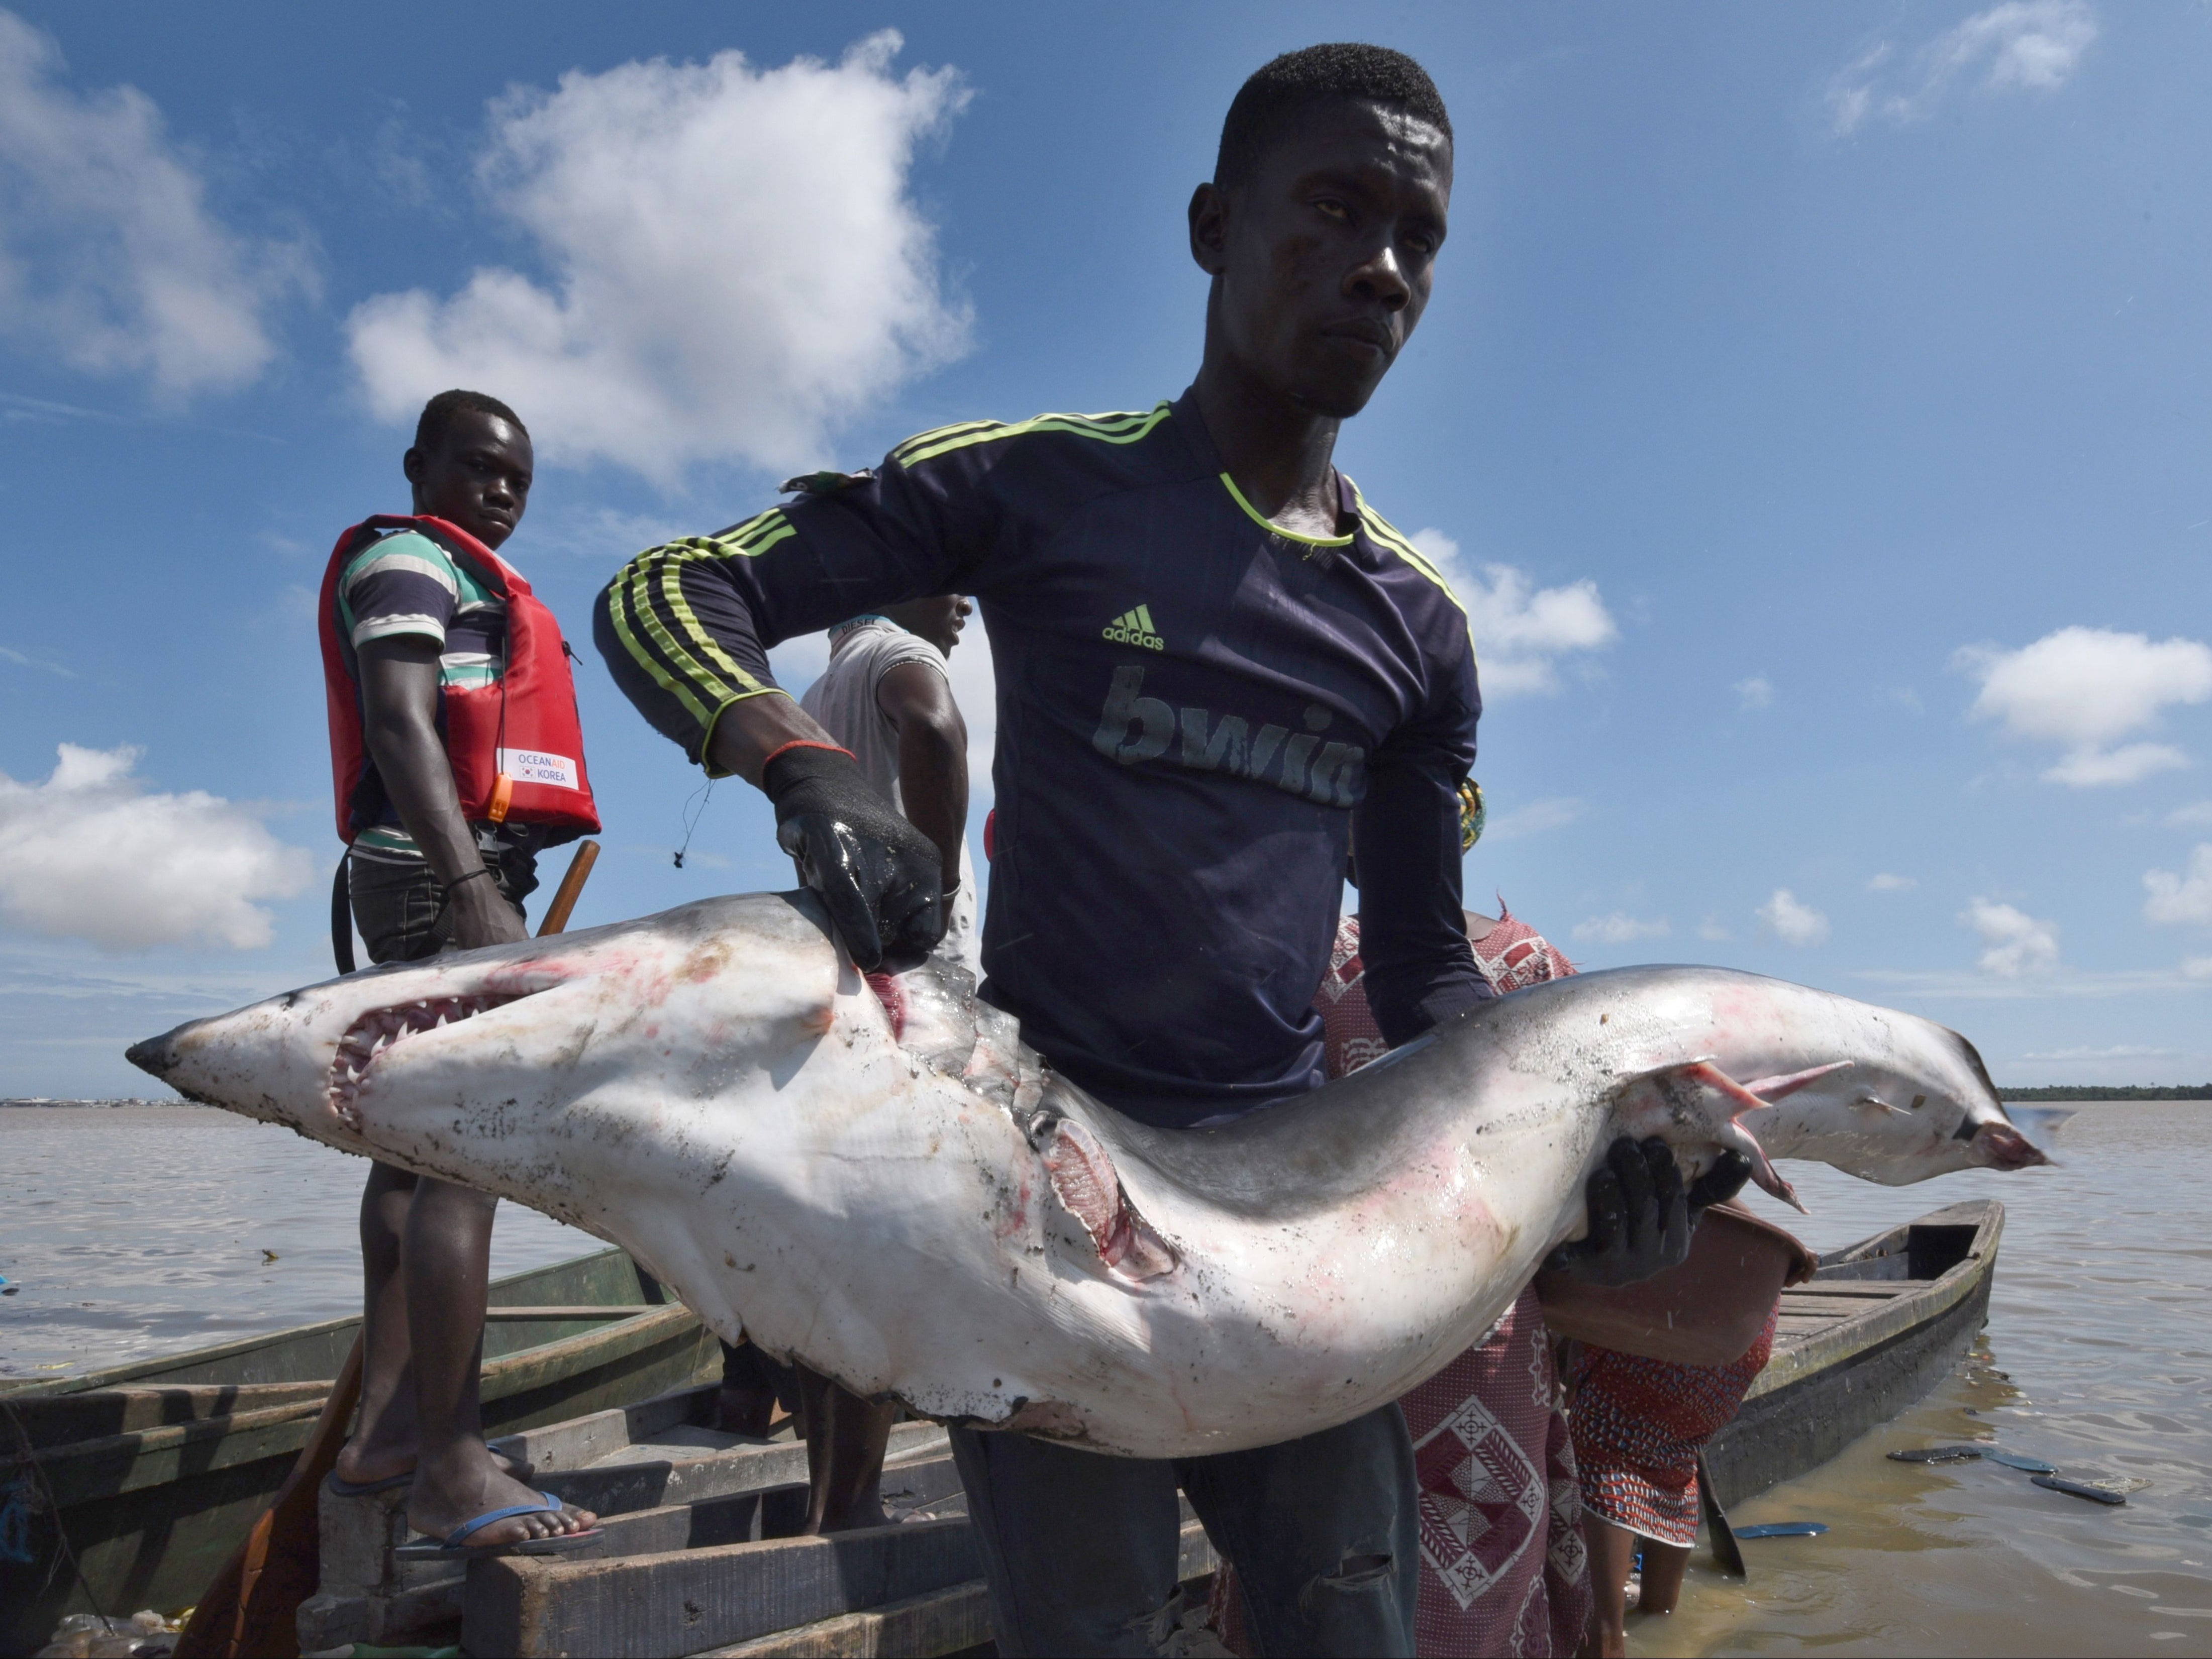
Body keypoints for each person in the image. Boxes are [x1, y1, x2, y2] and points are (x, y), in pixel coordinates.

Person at [597, 45, 1701, 1656]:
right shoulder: (1043, 486)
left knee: (1348, 1617)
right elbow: (669, 587)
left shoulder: (1416, 627)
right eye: (1333, 209)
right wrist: (801, 764)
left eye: (1419, 235)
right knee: (1091, 1626)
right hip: (1041, 1193)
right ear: (1212, 226)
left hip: (1291, 1222)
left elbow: (1422, 974)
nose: (1381, 267)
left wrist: (1577, 1140)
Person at [318, 389, 600, 1555]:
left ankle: (388, 1434)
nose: (500, 492)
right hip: (442, 876)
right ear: (417, 464)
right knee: (465, 1156)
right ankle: (450, 1466)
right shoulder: (405, 558)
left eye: (518, 480)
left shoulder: (464, 571)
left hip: (441, 872)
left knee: (410, 1152)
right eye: (479, 468)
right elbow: (398, 721)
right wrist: (472, 882)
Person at [716, 593, 979, 1531]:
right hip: (909, 976)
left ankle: (835, 1492)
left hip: (844, 965)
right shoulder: (898, 653)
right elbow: (936, 729)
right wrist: (938, 888)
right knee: (888, 1245)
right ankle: (856, 1509)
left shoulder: (821, 680)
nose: (964, 602)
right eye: (946, 579)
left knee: (838, 1242)